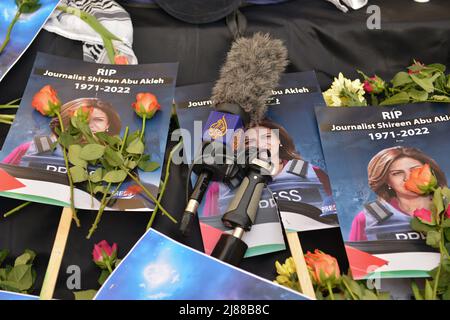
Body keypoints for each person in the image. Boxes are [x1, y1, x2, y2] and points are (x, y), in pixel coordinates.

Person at [349, 146, 447, 242]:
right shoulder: (367, 218)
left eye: (415, 169)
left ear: (431, 172)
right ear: (387, 181)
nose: (407, 178)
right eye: (397, 173)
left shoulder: (447, 206)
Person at [2, 97, 121, 167]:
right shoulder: (38, 146)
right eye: (81, 117)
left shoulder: (116, 156)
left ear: (108, 125)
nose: (88, 125)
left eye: (98, 120)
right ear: (65, 120)